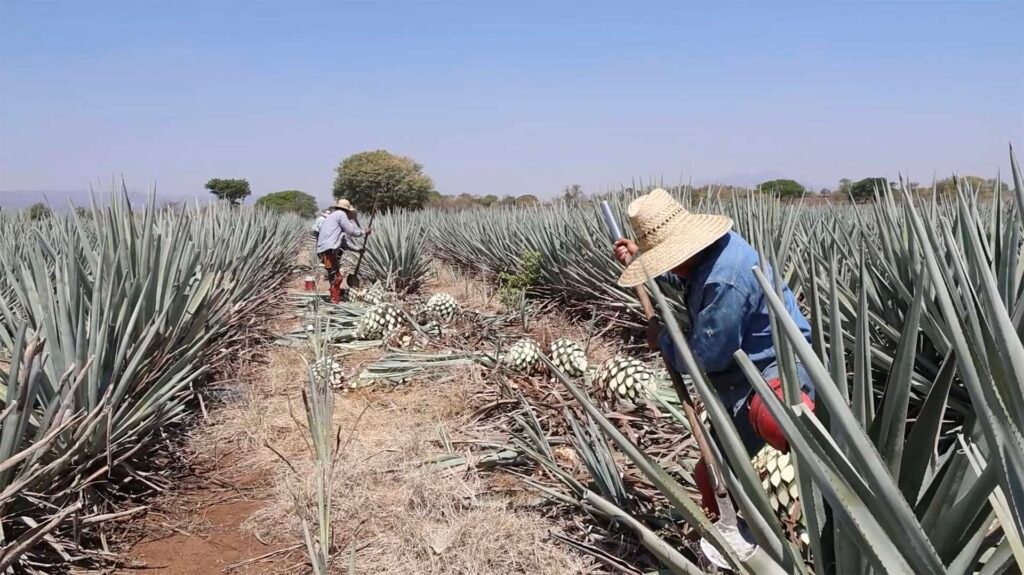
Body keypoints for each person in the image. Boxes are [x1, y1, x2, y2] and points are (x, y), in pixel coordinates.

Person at [612, 189, 815, 519]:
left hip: (777, 368)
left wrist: (662, 338)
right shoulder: (708, 252)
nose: (670, 265)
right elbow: (685, 275)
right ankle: (737, 533)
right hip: (740, 375)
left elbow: (706, 356)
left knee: (777, 425)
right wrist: (640, 257)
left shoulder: (726, 280)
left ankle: (804, 514)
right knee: (712, 475)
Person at [315, 198, 370, 303]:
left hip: (323, 251)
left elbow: (345, 242)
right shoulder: (341, 214)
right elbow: (350, 230)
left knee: (333, 275)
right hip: (328, 251)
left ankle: (334, 295)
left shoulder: (333, 217)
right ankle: (335, 300)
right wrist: (363, 232)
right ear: (347, 210)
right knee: (337, 277)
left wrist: (358, 250)